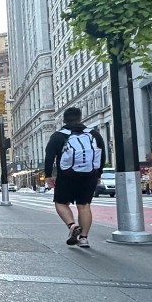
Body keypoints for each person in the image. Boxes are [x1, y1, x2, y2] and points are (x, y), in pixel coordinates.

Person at [44, 106, 106, 249]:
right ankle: (83, 238)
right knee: (84, 206)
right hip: (89, 175)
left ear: (64, 120)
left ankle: (72, 225)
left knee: (60, 203)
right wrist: (98, 174)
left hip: (66, 175)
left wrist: (48, 175)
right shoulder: (94, 134)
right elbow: (101, 155)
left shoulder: (58, 135)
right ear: (80, 118)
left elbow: (49, 157)